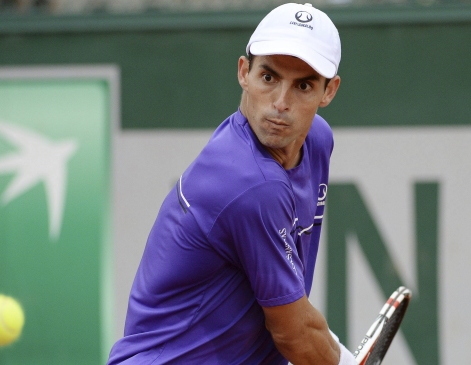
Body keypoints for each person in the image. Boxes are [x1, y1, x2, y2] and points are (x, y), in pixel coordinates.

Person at [107, 2, 356, 364]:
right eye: (268, 78)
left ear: (328, 91)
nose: (280, 104)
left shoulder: (317, 141)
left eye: (303, 85)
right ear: (244, 72)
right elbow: (294, 335)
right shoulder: (250, 183)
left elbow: (290, 310)